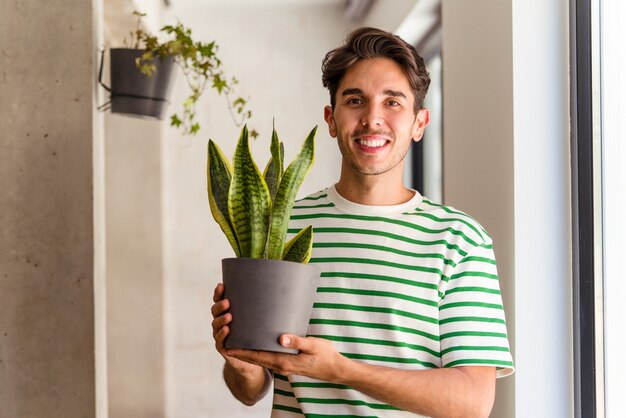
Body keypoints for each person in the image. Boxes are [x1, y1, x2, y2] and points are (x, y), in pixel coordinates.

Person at [211, 27, 514, 418]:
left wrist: (341, 371)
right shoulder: (283, 225)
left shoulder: (458, 240)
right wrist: (240, 362)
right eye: (355, 100)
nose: (372, 119)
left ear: (419, 123)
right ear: (331, 119)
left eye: (393, 103)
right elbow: (250, 392)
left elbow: (472, 401)